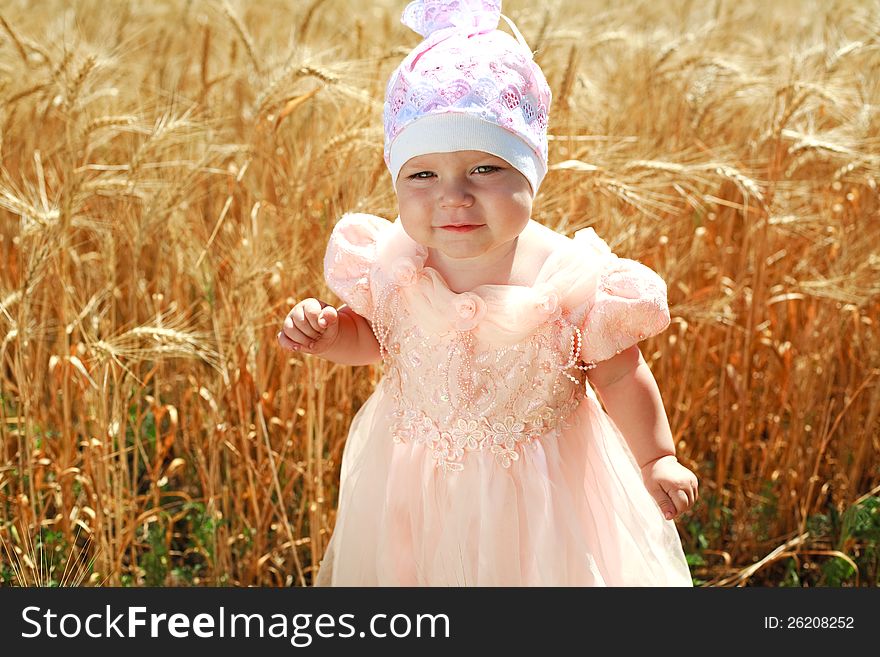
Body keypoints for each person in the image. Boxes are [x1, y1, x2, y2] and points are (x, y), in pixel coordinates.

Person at [278, 0, 698, 586]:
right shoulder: (393, 262)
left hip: (545, 499)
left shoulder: (571, 280)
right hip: (417, 482)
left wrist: (655, 458)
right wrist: (329, 336)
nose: (453, 196)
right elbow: (378, 339)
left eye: (484, 170)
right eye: (422, 175)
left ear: (531, 173)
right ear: (396, 180)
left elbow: (622, 375)